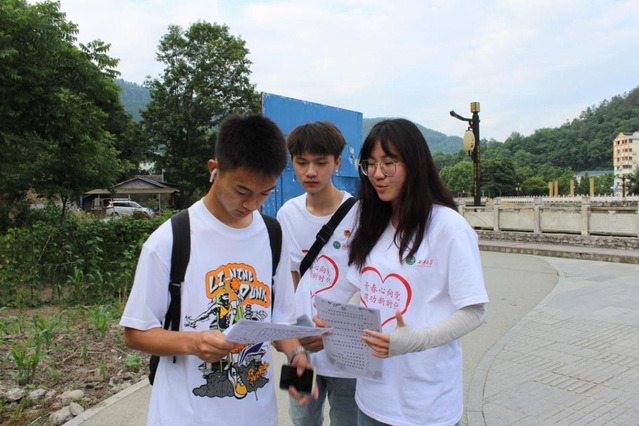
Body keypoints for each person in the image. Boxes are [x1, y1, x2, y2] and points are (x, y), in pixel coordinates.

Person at [120, 113, 312, 426]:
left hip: (257, 416)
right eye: (241, 191)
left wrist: (296, 355)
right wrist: (192, 343)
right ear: (214, 169)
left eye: (264, 193)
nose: (251, 204)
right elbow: (135, 332)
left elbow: (280, 322)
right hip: (184, 417)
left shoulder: (273, 235)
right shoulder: (171, 239)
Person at [346, 118, 488, 426]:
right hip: (370, 397)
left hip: (426, 405)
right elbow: (363, 294)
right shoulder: (371, 223)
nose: (378, 174)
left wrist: (418, 340)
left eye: (389, 163)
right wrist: (339, 324)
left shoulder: (448, 228)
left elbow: (474, 311)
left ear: (415, 165)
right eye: (370, 164)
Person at [276, 121, 359, 426]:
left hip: (347, 347)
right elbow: (292, 279)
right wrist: (292, 336)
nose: (311, 172)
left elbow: (367, 286)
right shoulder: (287, 213)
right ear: (292, 162)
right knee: (301, 419)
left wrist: (336, 329)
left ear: (337, 162)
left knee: (348, 421)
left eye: (321, 162)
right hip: (301, 346)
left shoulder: (361, 214)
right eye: (302, 162)